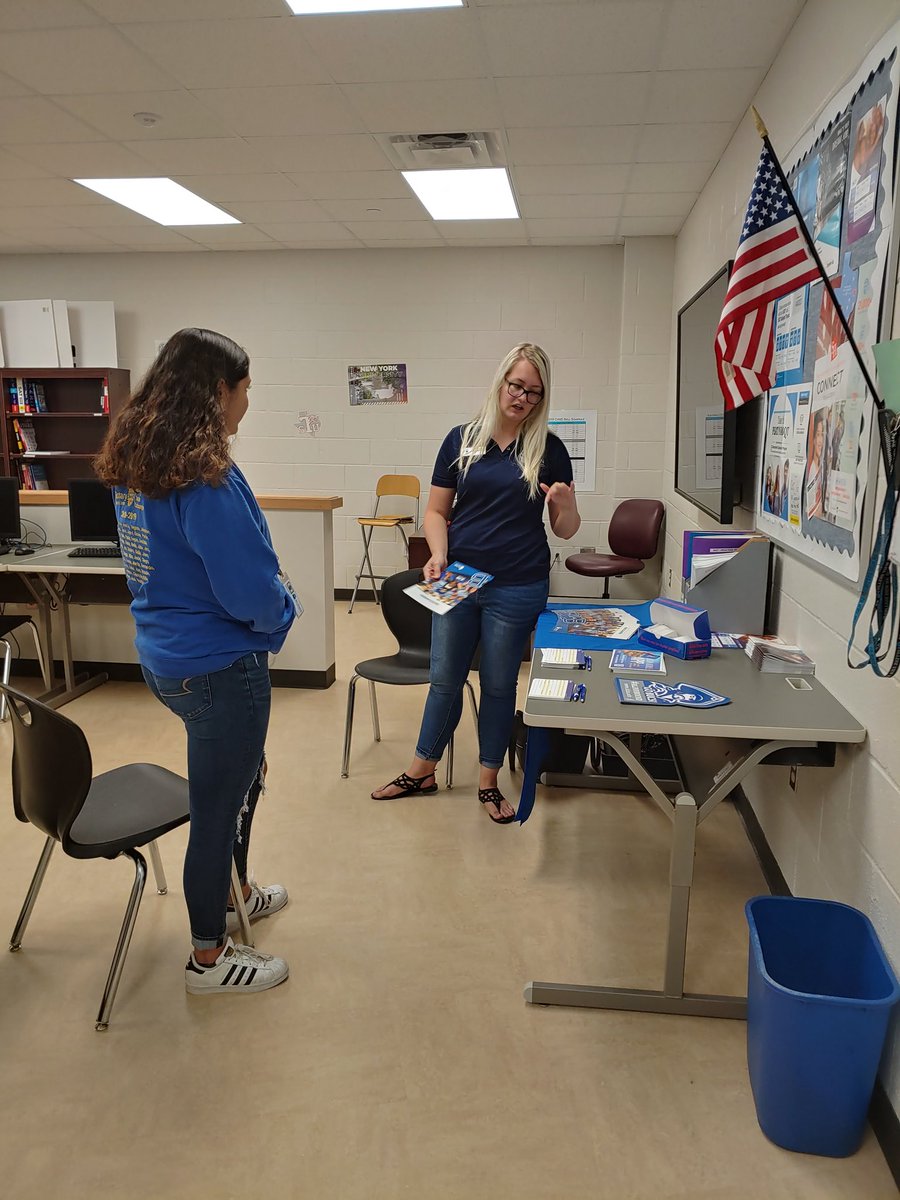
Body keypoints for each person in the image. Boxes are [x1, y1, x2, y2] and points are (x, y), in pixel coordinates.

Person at [95, 328, 296, 995]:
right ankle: (208, 956)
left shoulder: (138, 459)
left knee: (240, 778)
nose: (247, 405)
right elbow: (249, 593)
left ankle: (236, 892)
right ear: (219, 392)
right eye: (245, 391)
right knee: (217, 807)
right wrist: (284, 611)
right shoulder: (206, 478)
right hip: (218, 666)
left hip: (166, 659)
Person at [371, 342, 581, 824]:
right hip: (459, 577)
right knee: (444, 679)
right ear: (500, 382)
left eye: (533, 392)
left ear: (541, 398)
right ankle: (422, 768)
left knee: (499, 682)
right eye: (516, 385)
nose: (522, 398)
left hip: (518, 583)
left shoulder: (550, 450)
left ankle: (488, 780)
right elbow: (436, 510)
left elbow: (565, 529)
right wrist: (439, 553)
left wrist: (565, 507)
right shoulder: (461, 438)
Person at [806, 410, 826, 518]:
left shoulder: (822, 469)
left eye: (822, 435)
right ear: (813, 439)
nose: (821, 441)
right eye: (818, 435)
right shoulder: (811, 471)